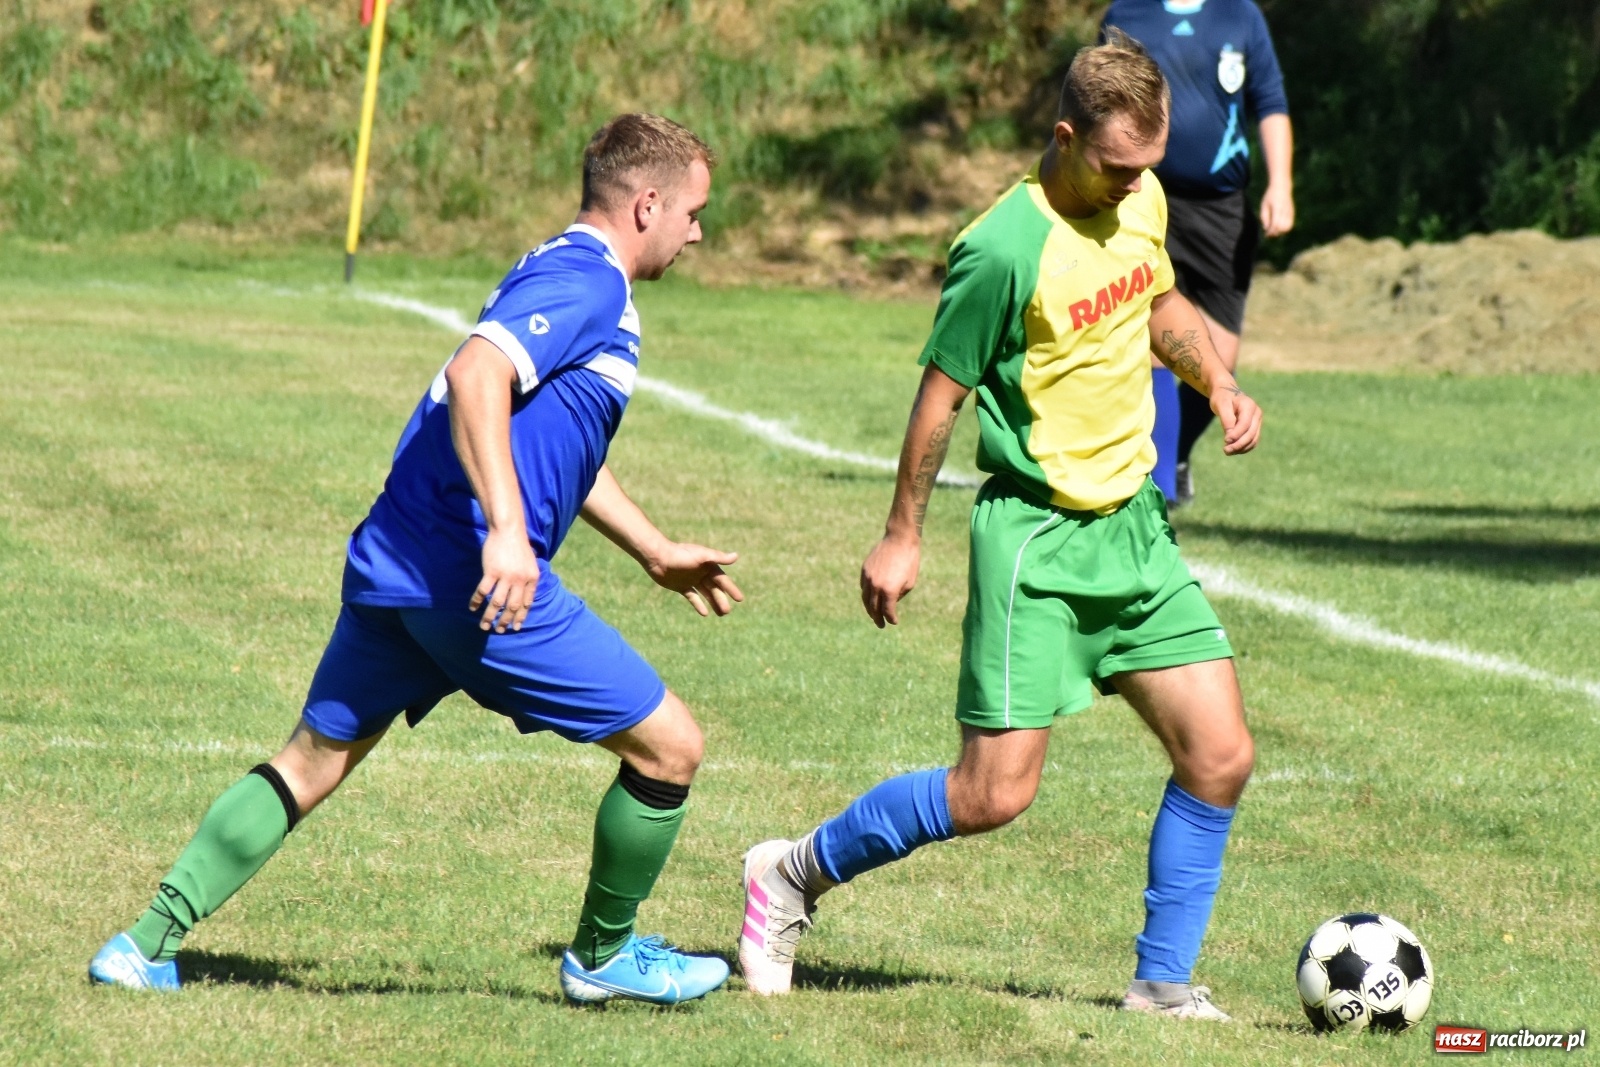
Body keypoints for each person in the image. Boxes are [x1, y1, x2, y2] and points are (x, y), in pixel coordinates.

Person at [89, 113, 741, 1006]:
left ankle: (143, 942)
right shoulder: (588, 281)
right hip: (464, 570)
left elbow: (540, 436)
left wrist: (654, 549)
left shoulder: (557, 265)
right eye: (695, 212)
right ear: (648, 203)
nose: (699, 231)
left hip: (399, 556)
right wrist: (508, 533)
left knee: (310, 759)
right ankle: (602, 955)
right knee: (672, 746)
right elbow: (478, 377)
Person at [739, 32, 1262, 1021]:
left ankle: (1158, 985)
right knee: (990, 795)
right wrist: (902, 532)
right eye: (1114, 164)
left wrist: (1217, 377)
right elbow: (940, 397)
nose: (1134, 184)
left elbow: (1157, 303)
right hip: (1036, 545)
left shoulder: (1140, 197)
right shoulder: (1001, 248)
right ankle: (790, 873)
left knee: (1220, 753)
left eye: (1146, 166)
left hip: (1136, 534)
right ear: (1064, 138)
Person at [1101, 0, 1292, 505]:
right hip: (1144, 196)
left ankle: (1175, 452)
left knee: (1218, 359)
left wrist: (1282, 186)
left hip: (1223, 208)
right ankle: (1157, 486)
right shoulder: (1129, 13)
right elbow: (1099, 104)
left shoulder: (1240, 16)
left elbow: (1269, 101)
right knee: (1157, 343)